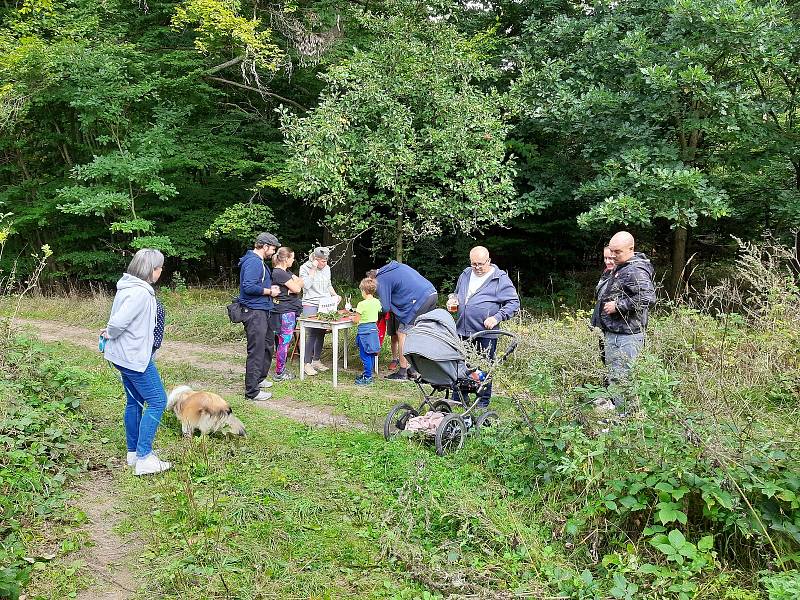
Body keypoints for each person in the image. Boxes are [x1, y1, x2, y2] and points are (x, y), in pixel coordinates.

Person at [101, 249, 171, 476]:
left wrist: (111, 333)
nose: (161, 271)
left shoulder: (128, 287)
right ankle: (144, 457)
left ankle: (133, 453)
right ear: (151, 270)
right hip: (134, 358)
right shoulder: (141, 293)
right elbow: (118, 321)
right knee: (159, 401)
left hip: (122, 356)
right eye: (159, 267)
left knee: (135, 403)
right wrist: (110, 332)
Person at [449, 246, 520, 407]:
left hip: (486, 333)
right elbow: (456, 293)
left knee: (484, 367)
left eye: (480, 264)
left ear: (488, 261)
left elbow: (514, 303)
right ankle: (459, 397)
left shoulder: (499, 278)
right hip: (462, 329)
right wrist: (453, 300)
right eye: (474, 264)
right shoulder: (466, 274)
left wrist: (497, 317)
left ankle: (482, 402)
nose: (477, 268)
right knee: (461, 365)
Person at [595, 231, 656, 410]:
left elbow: (648, 298)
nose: (612, 256)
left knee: (624, 377)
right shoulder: (621, 266)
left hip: (627, 336)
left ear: (631, 248)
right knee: (615, 376)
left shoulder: (636, 269)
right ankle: (620, 416)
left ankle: (627, 419)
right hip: (614, 332)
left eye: (617, 252)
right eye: (611, 251)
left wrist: (618, 306)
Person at [374, 261, 438, 380]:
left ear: (372, 279)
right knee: (417, 333)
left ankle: (403, 371)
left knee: (402, 333)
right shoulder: (395, 267)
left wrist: (374, 312)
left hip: (420, 299)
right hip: (432, 293)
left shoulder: (380, 279)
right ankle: (414, 369)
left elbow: (385, 307)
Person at [238, 232, 281, 401]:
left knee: (267, 345)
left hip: (263, 310)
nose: (273, 252)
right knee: (256, 350)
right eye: (272, 249)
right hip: (254, 312)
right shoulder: (253, 262)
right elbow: (248, 287)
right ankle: (252, 391)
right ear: (264, 246)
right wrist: (270, 291)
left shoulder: (259, 262)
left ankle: (259, 379)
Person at [299, 247, 340, 376]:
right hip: (310, 302)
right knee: (311, 332)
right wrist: (313, 269)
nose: (325, 263)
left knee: (321, 331)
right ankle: (306, 363)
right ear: (315, 259)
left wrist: (335, 295)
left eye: (326, 260)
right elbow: (305, 285)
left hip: (324, 303)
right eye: (322, 261)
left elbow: (328, 284)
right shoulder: (305, 268)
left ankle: (316, 360)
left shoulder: (327, 268)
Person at [270, 247, 303, 381]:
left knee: (283, 341)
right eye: (292, 258)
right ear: (285, 259)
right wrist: (294, 287)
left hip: (288, 310)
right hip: (284, 311)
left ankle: (280, 368)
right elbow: (297, 287)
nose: (293, 260)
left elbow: (301, 282)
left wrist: (295, 286)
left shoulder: (286, 272)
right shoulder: (280, 273)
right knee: (284, 341)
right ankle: (279, 372)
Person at [351, 277, 382, 385]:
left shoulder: (361, 304)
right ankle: (367, 374)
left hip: (364, 332)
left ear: (363, 291)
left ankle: (368, 377)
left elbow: (356, 320)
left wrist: (352, 318)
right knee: (372, 353)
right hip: (374, 330)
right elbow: (378, 310)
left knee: (365, 355)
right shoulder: (377, 302)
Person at [590, 246, 616, 377]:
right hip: (602, 325)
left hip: (614, 327)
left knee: (614, 362)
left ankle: (613, 393)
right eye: (605, 258)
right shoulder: (606, 273)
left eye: (611, 258)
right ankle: (607, 391)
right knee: (604, 359)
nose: (608, 261)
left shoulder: (622, 276)